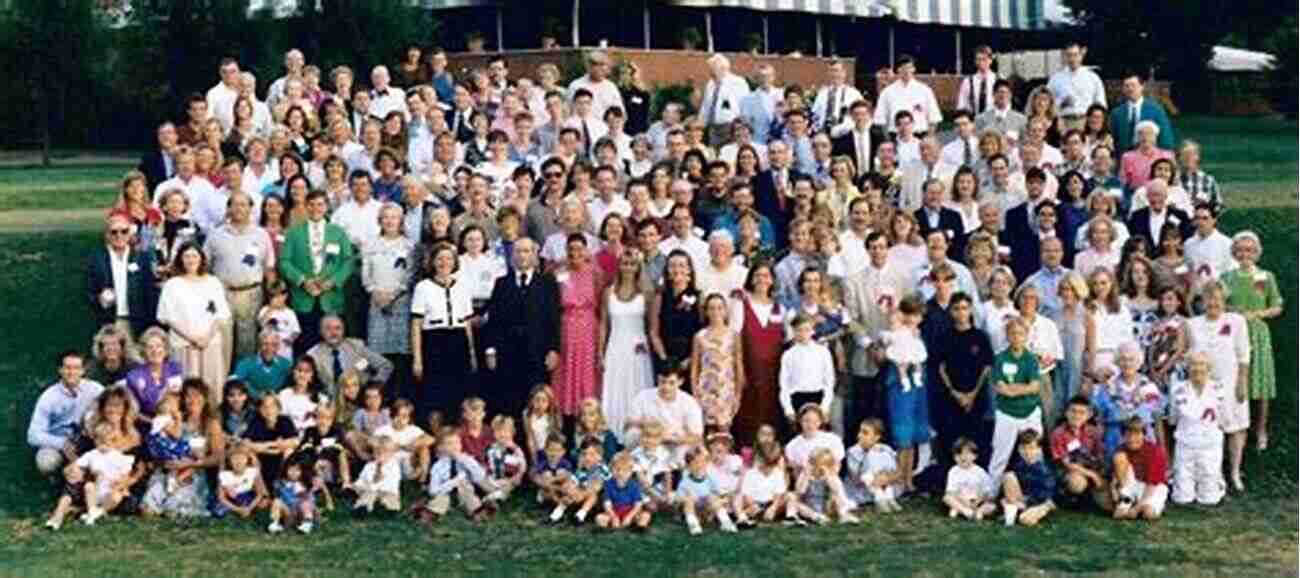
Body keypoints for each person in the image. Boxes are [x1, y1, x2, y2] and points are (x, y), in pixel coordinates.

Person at [482, 238, 562, 420]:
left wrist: (554, 349)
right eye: (518, 251)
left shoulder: (547, 283)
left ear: (534, 255)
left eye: (527, 251)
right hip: (508, 353)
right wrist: (490, 350)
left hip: (537, 353)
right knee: (509, 400)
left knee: (537, 400)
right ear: (512, 255)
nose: (522, 255)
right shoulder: (501, 283)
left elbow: (554, 320)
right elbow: (494, 320)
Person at [1219, 231, 1282, 451]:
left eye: (1250, 250)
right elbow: (1217, 304)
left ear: (1257, 253)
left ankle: (1261, 429)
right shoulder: (1227, 277)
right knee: (1234, 380)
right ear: (1234, 252)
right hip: (1233, 332)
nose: (1245, 254)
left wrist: (1257, 314)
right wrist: (1231, 311)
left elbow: (1277, 306)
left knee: (1261, 382)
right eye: (1241, 249)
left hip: (1257, 332)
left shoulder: (1265, 277)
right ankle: (1234, 426)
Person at [279, 190, 355, 354]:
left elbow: (348, 261)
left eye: (320, 204)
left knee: (333, 345)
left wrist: (333, 281)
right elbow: (284, 262)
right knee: (306, 345)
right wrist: (302, 281)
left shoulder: (338, 232)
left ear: (327, 207)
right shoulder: (293, 233)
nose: (315, 208)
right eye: (311, 204)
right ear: (306, 207)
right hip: (303, 298)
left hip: (331, 298)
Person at [204, 191, 275, 365]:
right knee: (221, 339)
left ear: (251, 209)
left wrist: (273, 298)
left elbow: (269, 268)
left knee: (248, 341)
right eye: (235, 204)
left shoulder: (261, 235)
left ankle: (243, 382)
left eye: (244, 205)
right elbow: (204, 265)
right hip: (222, 293)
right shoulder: (216, 235)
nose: (239, 209)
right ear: (228, 208)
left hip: (251, 294)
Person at [156, 242, 231, 403]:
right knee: (186, 388)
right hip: (184, 344)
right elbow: (167, 317)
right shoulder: (172, 285)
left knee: (211, 387)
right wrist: (192, 338)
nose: (191, 260)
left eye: (194, 256)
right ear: (180, 260)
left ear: (202, 259)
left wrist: (207, 337)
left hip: (210, 344)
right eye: (187, 256)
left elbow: (221, 315)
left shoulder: (213, 282)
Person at [599, 249, 654, 442]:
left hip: (638, 348)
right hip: (615, 346)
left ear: (638, 267)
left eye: (632, 264)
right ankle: (614, 439)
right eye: (624, 263)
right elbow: (604, 325)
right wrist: (600, 352)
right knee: (614, 392)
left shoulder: (647, 293)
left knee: (638, 390)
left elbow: (651, 328)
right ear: (619, 266)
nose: (628, 267)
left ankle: (638, 439)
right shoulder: (608, 292)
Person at [28, 351, 105, 476]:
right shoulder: (49, 396)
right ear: (60, 370)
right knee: (45, 462)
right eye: (67, 368)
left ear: (83, 371)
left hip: (88, 438)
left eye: (76, 368)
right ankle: (55, 477)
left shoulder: (95, 389)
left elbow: (114, 402)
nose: (72, 372)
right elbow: (33, 435)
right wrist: (62, 443)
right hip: (58, 441)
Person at [553, 234, 603, 419]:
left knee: (587, 371)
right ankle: (566, 414)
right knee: (566, 370)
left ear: (586, 250)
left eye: (579, 249)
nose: (575, 253)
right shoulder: (558, 273)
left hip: (589, 328)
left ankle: (588, 412)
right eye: (571, 249)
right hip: (566, 326)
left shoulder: (595, 273)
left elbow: (600, 301)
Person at [1168, 352, 1227, 506]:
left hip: (1210, 443)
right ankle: (1183, 491)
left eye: (1201, 364)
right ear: (1187, 367)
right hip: (1185, 441)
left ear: (1209, 368)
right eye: (1193, 364)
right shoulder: (1178, 389)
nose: (1197, 368)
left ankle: (1214, 488)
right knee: (1182, 497)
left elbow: (1223, 418)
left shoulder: (1219, 389)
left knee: (1209, 497)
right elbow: (1173, 417)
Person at [988, 317, 1042, 482]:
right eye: (1013, 333)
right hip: (1007, 413)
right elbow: (1001, 388)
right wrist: (1021, 388)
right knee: (1000, 454)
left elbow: (1035, 386)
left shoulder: (1031, 359)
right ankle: (992, 491)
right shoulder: (1000, 358)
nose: (1017, 337)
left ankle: (1038, 489)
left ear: (1026, 336)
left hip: (1030, 412)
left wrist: (1013, 390)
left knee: (1033, 453)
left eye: (1020, 333)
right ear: (1007, 336)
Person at [89, 215, 159, 339]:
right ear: (107, 235)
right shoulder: (96, 260)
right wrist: (99, 299)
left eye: (124, 231)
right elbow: (88, 291)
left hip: (136, 322)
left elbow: (150, 291)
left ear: (130, 234)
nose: (119, 235)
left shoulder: (142, 258)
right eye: (114, 232)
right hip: (108, 322)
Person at [627, 368, 704, 463]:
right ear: (658, 379)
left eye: (671, 383)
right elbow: (628, 423)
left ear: (680, 382)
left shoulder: (689, 402)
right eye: (662, 382)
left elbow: (696, 436)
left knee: (685, 449)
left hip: (675, 441)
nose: (666, 387)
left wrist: (671, 438)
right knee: (632, 434)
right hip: (648, 438)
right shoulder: (643, 396)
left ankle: (674, 472)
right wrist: (648, 426)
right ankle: (637, 465)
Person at [691, 293, 744, 432]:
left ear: (725, 310)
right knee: (708, 430)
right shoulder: (700, 336)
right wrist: (695, 392)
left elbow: (738, 363)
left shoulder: (733, 334)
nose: (716, 312)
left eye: (720, 308)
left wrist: (738, 394)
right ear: (706, 311)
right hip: (706, 388)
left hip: (726, 388)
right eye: (712, 308)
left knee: (724, 429)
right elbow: (695, 366)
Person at [305, 315, 394, 397]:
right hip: (331, 401)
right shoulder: (313, 354)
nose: (333, 332)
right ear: (320, 331)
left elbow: (386, 366)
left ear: (344, 330)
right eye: (328, 328)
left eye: (338, 328)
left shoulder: (357, 346)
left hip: (360, 399)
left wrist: (374, 386)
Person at [1050, 395, 1106, 508]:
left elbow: (1100, 454)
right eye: (1073, 411)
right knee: (1077, 483)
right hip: (1070, 472)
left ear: (1088, 415)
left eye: (1082, 412)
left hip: (1091, 468)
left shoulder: (1093, 432)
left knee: (1108, 504)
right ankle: (1069, 497)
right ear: (1066, 413)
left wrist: (1101, 474)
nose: (1077, 416)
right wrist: (1092, 475)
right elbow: (1067, 464)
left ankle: (1090, 497)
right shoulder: (1058, 433)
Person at [1110, 417, 1169, 521]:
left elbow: (1152, 485)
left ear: (1144, 435)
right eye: (1128, 435)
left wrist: (1136, 509)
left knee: (1149, 514)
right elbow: (1115, 477)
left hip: (1153, 487)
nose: (1132, 438)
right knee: (1118, 515)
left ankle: (1152, 505)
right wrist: (1115, 492)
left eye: (1137, 434)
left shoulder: (1154, 451)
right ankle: (1127, 501)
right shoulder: (1121, 449)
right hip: (1132, 486)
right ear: (1123, 435)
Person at [844, 419, 902, 513]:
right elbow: (856, 479)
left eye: (865, 433)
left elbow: (898, 472)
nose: (860, 435)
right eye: (860, 431)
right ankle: (880, 499)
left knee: (879, 454)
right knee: (871, 456)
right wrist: (875, 478)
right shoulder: (853, 451)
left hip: (884, 483)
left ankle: (889, 498)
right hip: (863, 486)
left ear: (876, 437)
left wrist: (886, 478)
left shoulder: (885, 449)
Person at [874, 56, 942, 135]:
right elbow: (881, 120)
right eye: (903, 68)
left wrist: (929, 138)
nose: (907, 71)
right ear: (898, 70)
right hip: (895, 136)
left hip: (919, 135)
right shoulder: (887, 92)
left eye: (909, 67)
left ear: (914, 69)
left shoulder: (925, 90)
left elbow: (934, 118)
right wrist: (888, 140)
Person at [1000, 429, 1056, 526]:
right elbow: (1011, 487)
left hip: (1040, 502)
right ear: (1018, 449)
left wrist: (1026, 501)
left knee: (1025, 519)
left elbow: (1045, 494)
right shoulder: (1018, 465)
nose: (1027, 452)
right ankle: (1014, 510)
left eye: (1031, 448)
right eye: (1023, 448)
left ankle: (1023, 513)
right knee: (1008, 476)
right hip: (1021, 500)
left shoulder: (1044, 470)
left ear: (1039, 449)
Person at [125, 327, 185, 418]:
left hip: (173, 420)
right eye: (150, 347)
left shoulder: (174, 369)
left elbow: (177, 399)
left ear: (165, 350)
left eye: (159, 346)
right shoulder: (133, 376)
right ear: (144, 352)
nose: (155, 350)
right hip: (147, 424)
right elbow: (133, 411)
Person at [1046, 42, 1106, 130]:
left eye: (1075, 55)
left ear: (1081, 55)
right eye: (1069, 55)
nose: (1072, 59)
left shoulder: (1093, 78)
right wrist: (1061, 103)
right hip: (1064, 122)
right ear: (1064, 56)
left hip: (1086, 122)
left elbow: (1101, 104)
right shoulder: (1055, 79)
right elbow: (1046, 105)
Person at [1110, 73, 1175, 153]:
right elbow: (1114, 139)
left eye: (1133, 85)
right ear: (1123, 89)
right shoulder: (1117, 113)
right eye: (1127, 86)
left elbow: (1165, 138)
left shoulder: (1156, 110)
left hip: (1150, 158)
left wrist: (1167, 156)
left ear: (1142, 87)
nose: (1130, 89)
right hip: (1124, 159)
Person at [697, 54, 749, 147]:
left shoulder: (738, 82)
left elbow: (745, 105)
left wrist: (741, 126)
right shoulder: (710, 84)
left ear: (723, 68)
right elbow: (705, 106)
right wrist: (700, 122)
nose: (710, 72)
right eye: (710, 69)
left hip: (730, 127)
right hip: (713, 128)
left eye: (712, 68)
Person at [598, 450, 653, 531]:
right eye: (617, 469)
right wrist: (613, 517)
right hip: (614, 510)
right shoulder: (608, 484)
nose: (620, 473)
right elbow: (607, 504)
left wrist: (629, 517)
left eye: (624, 470)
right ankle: (605, 529)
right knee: (600, 518)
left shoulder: (634, 485)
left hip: (630, 511)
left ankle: (640, 528)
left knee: (646, 515)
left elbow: (638, 505)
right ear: (611, 469)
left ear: (630, 472)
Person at [943, 437, 996, 521]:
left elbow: (987, 491)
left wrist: (978, 501)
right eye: (959, 454)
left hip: (977, 500)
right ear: (954, 457)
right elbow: (951, 491)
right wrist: (964, 501)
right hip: (960, 499)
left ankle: (978, 512)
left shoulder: (980, 472)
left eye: (967, 454)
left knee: (992, 506)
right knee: (947, 498)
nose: (963, 457)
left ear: (974, 456)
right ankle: (965, 511)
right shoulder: (953, 471)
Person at [566, 51, 624, 122]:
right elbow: (568, 111)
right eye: (595, 64)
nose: (599, 68)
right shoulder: (576, 86)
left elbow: (620, 112)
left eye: (603, 65)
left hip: (605, 128)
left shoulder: (611, 87)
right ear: (589, 66)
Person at [957, 46, 999, 117]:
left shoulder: (998, 80)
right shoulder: (967, 81)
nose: (981, 62)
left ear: (991, 60)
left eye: (984, 59)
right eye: (978, 59)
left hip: (994, 122)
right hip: (973, 122)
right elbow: (961, 105)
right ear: (975, 61)